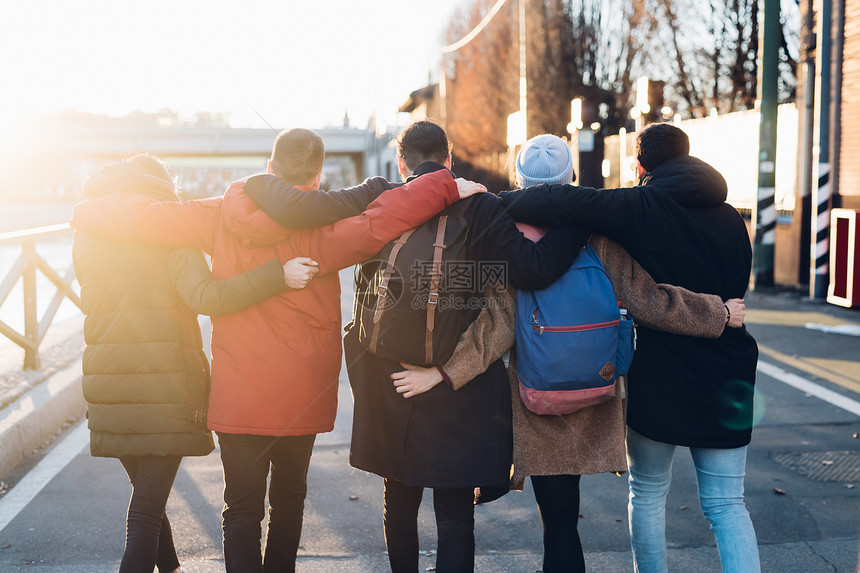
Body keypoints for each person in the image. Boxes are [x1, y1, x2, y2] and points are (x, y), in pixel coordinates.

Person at [71, 129, 487, 573]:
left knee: (241, 510)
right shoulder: (327, 228)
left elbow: (148, 217)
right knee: (288, 505)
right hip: (299, 394)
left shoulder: (220, 213)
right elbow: (381, 220)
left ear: (270, 168)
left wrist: (86, 211)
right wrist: (443, 184)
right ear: (317, 174)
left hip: (239, 392)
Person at [243, 120, 591, 573]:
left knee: (399, 501)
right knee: (454, 513)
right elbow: (511, 293)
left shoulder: (382, 203)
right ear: (449, 158)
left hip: (393, 377)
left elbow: (363, 295)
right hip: (462, 383)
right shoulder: (481, 207)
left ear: (401, 160)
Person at [389, 133, 746, 573]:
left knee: (552, 520)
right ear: (571, 178)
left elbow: (494, 329)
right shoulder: (597, 235)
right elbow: (649, 300)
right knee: (565, 525)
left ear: (518, 181)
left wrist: (443, 373)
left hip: (534, 393)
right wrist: (717, 312)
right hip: (592, 388)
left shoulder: (503, 234)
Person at [499, 124, 760, 573]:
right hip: (728, 374)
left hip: (661, 373)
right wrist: (721, 313)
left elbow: (559, 201)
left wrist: (490, 202)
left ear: (641, 166)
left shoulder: (640, 206)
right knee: (727, 504)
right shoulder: (732, 217)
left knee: (649, 492)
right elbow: (733, 292)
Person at [73, 155, 315, 573]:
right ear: (162, 188)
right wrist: (277, 274)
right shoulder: (169, 228)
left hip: (106, 386)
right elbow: (207, 297)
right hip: (164, 391)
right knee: (145, 514)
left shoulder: (87, 231)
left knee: (148, 499)